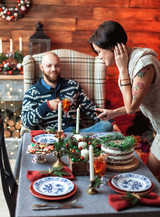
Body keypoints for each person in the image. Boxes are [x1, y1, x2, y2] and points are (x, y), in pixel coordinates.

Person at [89, 20, 160, 180]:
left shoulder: (144, 64)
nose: (99, 57)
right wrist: (114, 113)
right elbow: (137, 103)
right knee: (152, 177)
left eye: (99, 52)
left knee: (150, 178)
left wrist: (121, 69)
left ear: (113, 48)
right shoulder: (131, 62)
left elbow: (130, 107)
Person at [21, 51, 115, 133]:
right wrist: (46, 106)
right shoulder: (32, 92)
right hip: (51, 136)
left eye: (56, 65)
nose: (53, 69)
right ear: (42, 68)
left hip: (77, 133)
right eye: (49, 66)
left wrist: (111, 122)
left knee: (106, 126)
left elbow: (90, 108)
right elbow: (25, 122)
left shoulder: (72, 85)